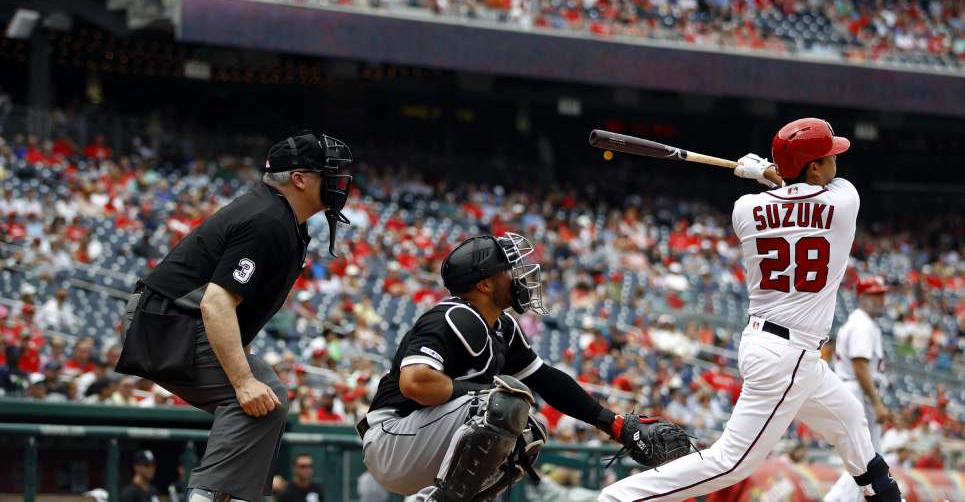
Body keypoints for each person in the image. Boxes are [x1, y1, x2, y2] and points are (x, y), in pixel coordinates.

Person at [598, 118, 902, 502]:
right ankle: (618, 499)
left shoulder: (745, 209)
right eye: (828, 157)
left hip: (776, 346)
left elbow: (792, 195)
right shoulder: (845, 201)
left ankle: (886, 496)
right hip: (788, 354)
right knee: (731, 463)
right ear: (813, 167)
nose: (834, 163)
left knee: (850, 420)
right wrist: (770, 173)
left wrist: (767, 175)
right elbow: (811, 191)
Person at [359, 232, 687, 502]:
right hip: (393, 437)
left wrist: (611, 423)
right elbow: (414, 382)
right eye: (507, 269)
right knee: (504, 403)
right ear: (484, 284)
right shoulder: (454, 316)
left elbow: (546, 380)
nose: (518, 275)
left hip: (424, 444)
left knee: (532, 426)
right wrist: (483, 392)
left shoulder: (502, 326)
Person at [118, 132, 353, 502]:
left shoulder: (286, 219)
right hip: (163, 322)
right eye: (330, 173)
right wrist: (242, 381)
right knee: (258, 392)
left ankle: (222, 495)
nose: (340, 183)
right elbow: (216, 304)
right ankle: (209, 496)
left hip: (173, 319)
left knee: (262, 402)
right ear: (299, 179)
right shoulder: (268, 220)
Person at [834, 276, 891, 452]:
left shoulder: (863, 323)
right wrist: (877, 403)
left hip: (858, 391)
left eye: (882, 295)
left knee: (866, 458)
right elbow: (859, 366)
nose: (881, 300)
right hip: (858, 392)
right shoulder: (862, 325)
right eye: (875, 295)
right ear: (862, 298)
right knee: (869, 458)